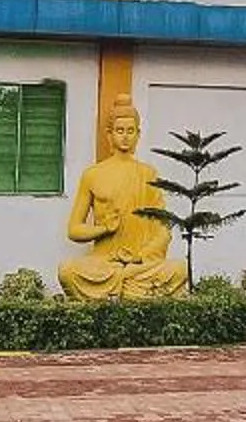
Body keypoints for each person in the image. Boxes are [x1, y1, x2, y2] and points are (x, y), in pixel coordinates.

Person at [58, 100, 182, 299]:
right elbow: (74, 230)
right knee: (68, 270)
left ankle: (122, 283)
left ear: (138, 135)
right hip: (105, 262)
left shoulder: (149, 174)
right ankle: (126, 284)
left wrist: (140, 257)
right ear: (109, 134)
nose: (125, 136)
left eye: (130, 131)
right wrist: (104, 228)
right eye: (120, 130)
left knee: (180, 269)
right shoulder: (93, 174)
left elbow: (163, 229)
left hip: (140, 264)